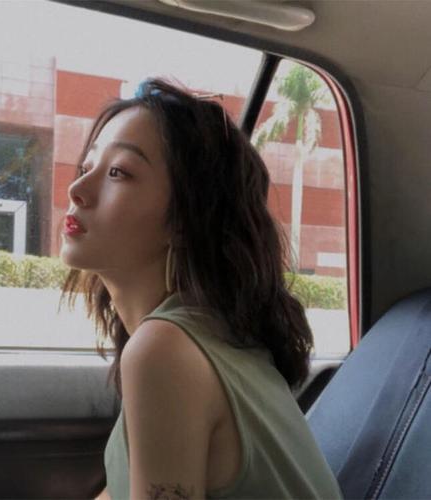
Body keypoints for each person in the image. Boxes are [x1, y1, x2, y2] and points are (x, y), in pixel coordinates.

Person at [59, 78, 342, 500]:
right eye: (87, 168)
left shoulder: (165, 350)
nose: (76, 190)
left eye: (119, 172)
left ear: (183, 220)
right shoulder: (209, 333)